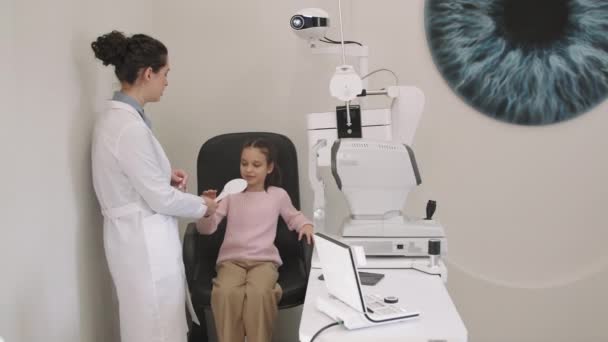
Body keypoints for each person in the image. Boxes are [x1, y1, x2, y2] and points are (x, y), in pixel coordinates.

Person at [90, 30, 217, 342]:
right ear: (148, 74)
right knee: (155, 328)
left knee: (152, 323)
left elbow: (131, 176)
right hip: (142, 244)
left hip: (136, 237)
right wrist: (205, 206)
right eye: (165, 74)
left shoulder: (118, 119)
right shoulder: (127, 127)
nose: (167, 82)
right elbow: (160, 199)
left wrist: (164, 173)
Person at [196, 138, 314, 342]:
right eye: (244, 163)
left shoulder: (278, 195)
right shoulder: (231, 196)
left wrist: (305, 224)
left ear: (269, 168)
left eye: (256, 165)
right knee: (225, 293)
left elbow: (293, 216)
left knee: (260, 294)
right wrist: (207, 212)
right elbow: (207, 229)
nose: (249, 169)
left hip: (264, 262)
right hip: (230, 261)